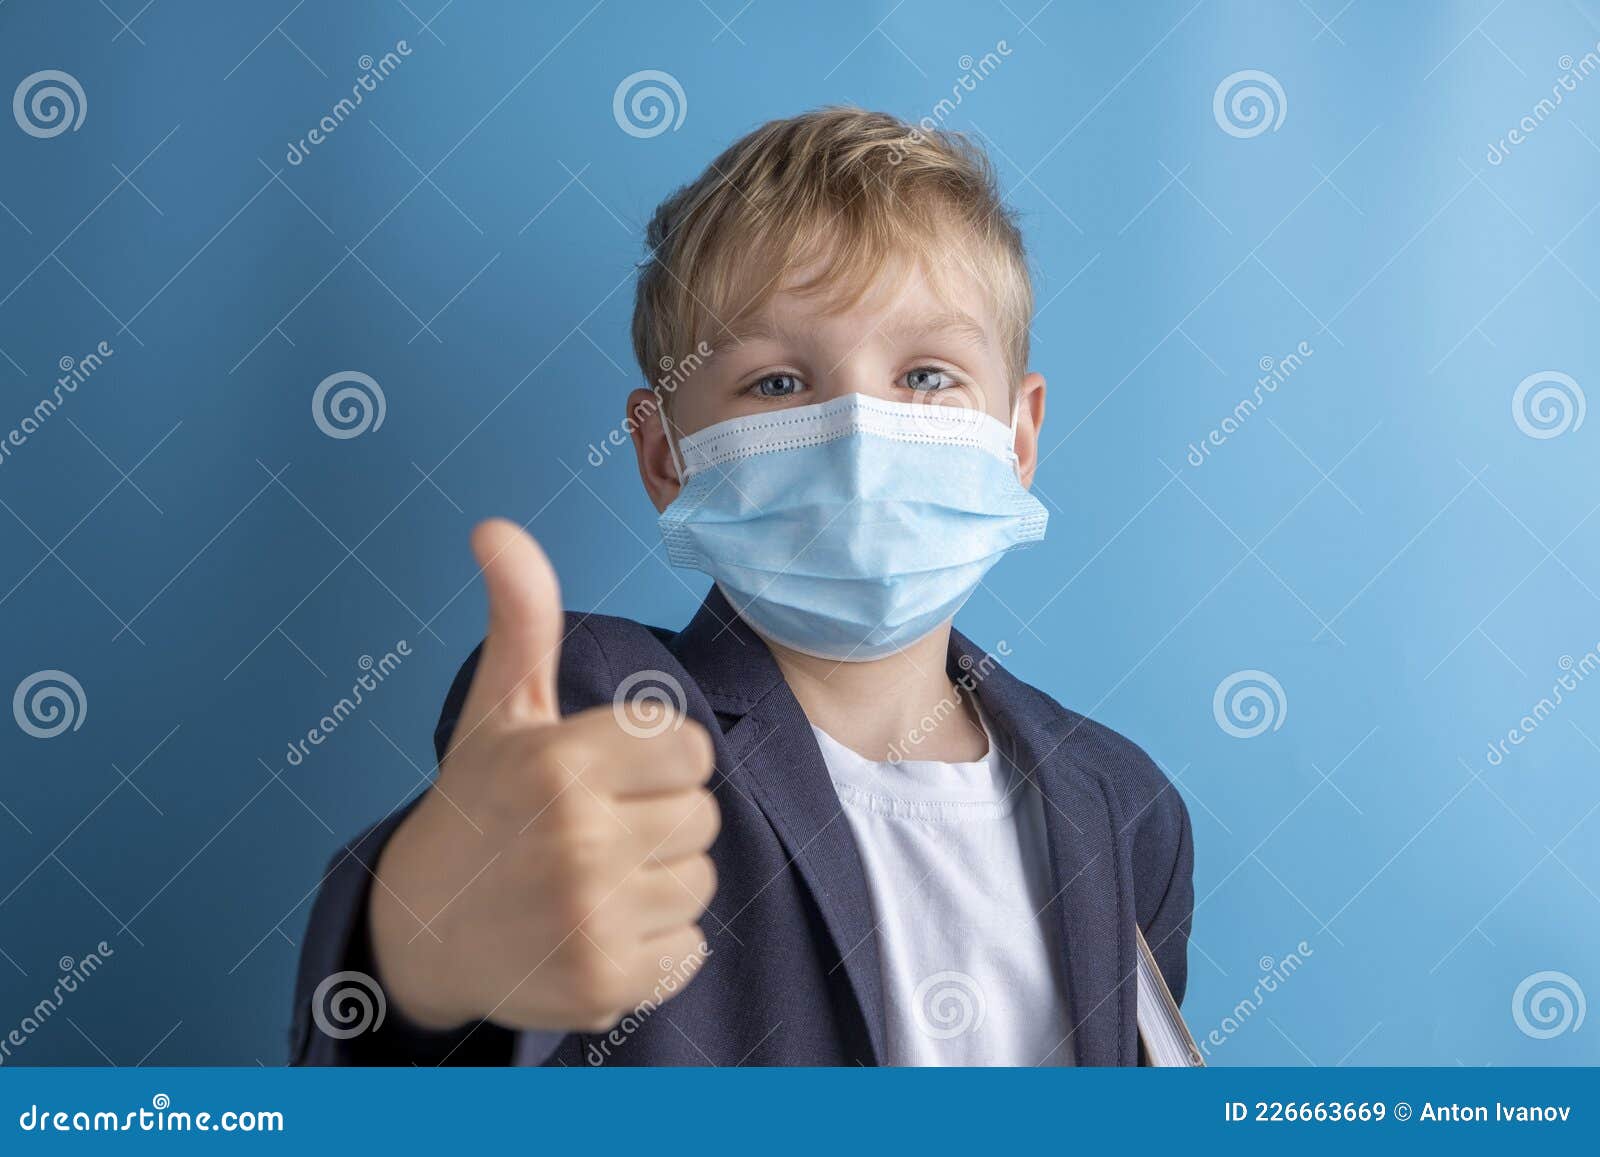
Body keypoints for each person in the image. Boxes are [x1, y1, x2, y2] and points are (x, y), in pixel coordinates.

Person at [291, 107, 1192, 1066]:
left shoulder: (1125, 804)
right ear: (665, 454)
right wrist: (420, 952)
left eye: (927, 376)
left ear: (1018, 436)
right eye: (776, 384)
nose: (858, 437)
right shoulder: (609, 707)